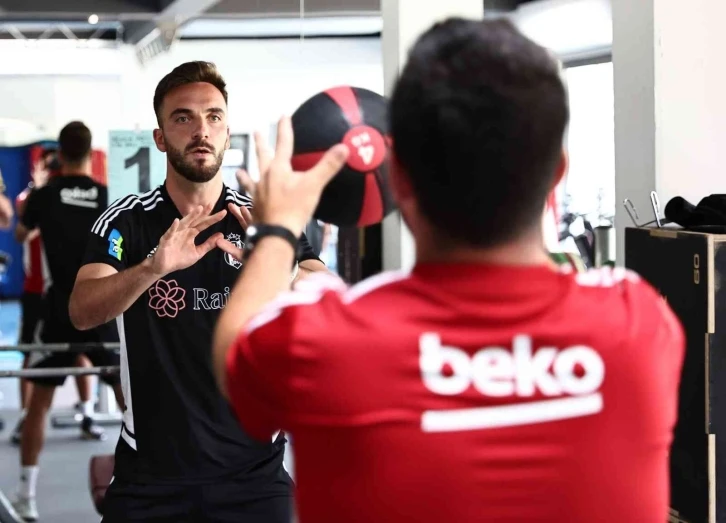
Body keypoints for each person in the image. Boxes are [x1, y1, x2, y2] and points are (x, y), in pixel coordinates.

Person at [213, 18, 686, 523]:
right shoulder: (640, 323)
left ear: (397, 179)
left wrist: (277, 230)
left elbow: (233, 352)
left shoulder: (323, 344)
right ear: (557, 172)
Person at [68, 61, 327, 522]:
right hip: (151, 475)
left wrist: (278, 263)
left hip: (254, 472)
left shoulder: (262, 220)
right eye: (183, 117)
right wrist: (152, 268)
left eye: (213, 117)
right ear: (160, 138)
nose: (201, 130)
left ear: (227, 133)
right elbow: (82, 310)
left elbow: (326, 297)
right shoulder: (127, 220)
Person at [12, 122, 124, 522]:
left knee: (39, 405)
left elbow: (20, 234)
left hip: (59, 310)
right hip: (103, 307)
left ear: (60, 153)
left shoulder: (42, 196)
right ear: (91, 153)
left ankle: (26, 495)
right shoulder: (109, 197)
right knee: (131, 402)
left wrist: (37, 207)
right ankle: (150, 484)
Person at [11, 149, 101, 446]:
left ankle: (87, 413)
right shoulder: (36, 198)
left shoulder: (65, 198)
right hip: (36, 289)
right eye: (45, 163)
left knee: (83, 355)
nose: (50, 168)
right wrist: (37, 188)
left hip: (68, 290)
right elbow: (22, 229)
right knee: (32, 355)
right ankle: (25, 416)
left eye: (53, 164)